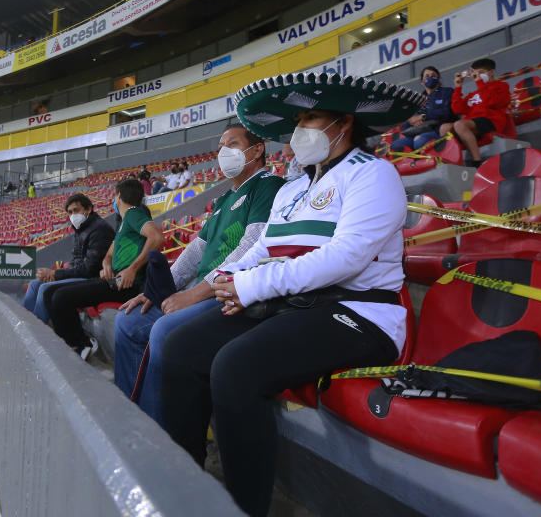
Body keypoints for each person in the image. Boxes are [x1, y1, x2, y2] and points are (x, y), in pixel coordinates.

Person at [159, 72, 425, 516]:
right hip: (292, 304)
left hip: (357, 313)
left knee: (235, 366)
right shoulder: (295, 187)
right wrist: (226, 279)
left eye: (312, 117)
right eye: (298, 118)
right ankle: (185, 485)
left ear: (345, 124)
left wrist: (252, 285)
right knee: (181, 346)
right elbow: (264, 248)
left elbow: (347, 258)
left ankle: (243, 507)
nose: (301, 128)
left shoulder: (374, 174)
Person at [115, 124, 285, 424]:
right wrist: (157, 290)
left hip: (226, 292)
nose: (223, 153)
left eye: (232, 144)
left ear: (257, 150)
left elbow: (252, 247)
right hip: (202, 289)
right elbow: (195, 251)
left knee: (165, 332)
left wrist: (196, 293)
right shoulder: (223, 200)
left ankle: (160, 433)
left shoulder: (268, 186)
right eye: (220, 147)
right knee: (128, 320)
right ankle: (132, 415)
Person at [45, 179, 163, 360]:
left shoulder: (133, 213)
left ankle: (81, 344)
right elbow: (109, 253)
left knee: (60, 297)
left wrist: (132, 269)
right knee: (50, 292)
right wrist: (106, 265)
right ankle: (73, 342)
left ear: (119, 196)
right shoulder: (124, 222)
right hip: (111, 280)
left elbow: (156, 237)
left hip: (125, 285)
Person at [22, 193, 115, 322]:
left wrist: (56, 274)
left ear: (88, 209)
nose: (73, 215)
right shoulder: (81, 229)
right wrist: (54, 276)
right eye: (70, 212)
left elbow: (89, 270)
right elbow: (75, 260)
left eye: (76, 210)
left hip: (93, 279)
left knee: (44, 288)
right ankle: (23, 324)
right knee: (34, 284)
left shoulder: (99, 230)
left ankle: (37, 332)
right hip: (80, 275)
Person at [441, 58, 510, 166]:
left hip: (491, 121)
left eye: (481, 73)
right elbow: (457, 109)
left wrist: (479, 82)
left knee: (460, 124)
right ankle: (454, 163)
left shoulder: (501, 86)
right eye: (475, 73)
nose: (478, 76)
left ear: (492, 72)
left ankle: (477, 161)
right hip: (472, 125)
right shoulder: (473, 94)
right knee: (444, 128)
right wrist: (458, 88)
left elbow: (491, 102)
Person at [391, 66, 456, 152]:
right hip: (417, 132)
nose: (430, 78)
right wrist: (411, 121)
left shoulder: (447, 92)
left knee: (420, 141)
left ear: (438, 79)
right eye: (427, 76)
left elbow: (446, 112)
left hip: (438, 130)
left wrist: (423, 117)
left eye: (433, 75)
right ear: (422, 82)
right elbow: (405, 126)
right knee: (396, 145)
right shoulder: (417, 99)